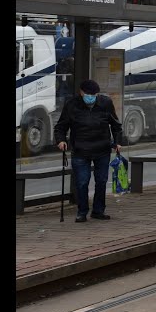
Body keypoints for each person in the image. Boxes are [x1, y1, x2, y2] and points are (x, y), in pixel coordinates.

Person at [54, 79, 124, 222]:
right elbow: (61, 127)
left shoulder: (105, 103)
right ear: (81, 93)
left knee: (101, 181)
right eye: (88, 94)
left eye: (94, 95)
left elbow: (116, 125)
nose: (91, 97)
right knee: (82, 182)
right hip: (80, 149)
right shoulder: (72, 105)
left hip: (102, 148)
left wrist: (117, 142)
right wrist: (61, 140)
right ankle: (82, 212)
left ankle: (98, 211)